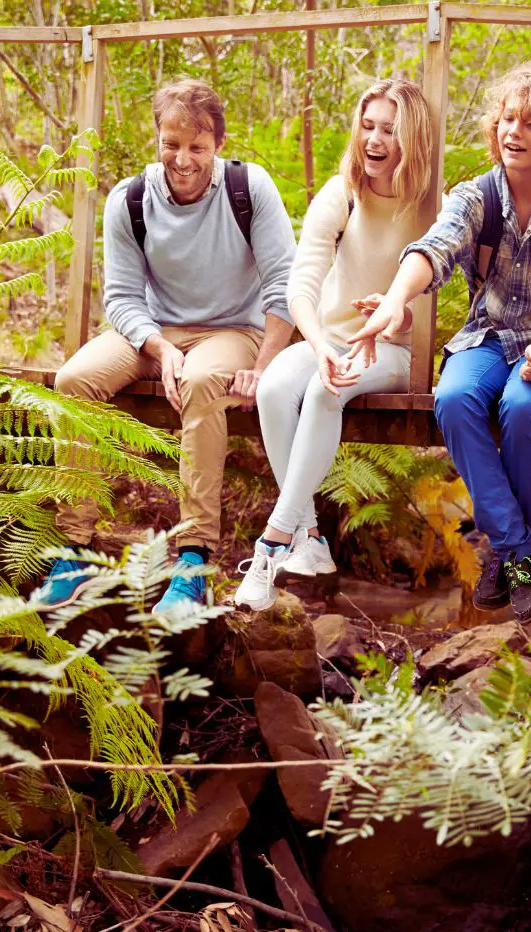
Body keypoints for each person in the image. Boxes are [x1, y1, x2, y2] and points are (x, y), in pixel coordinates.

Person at [348, 62, 531, 625]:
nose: (513, 132)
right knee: (455, 398)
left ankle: (501, 550)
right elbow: (433, 249)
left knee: (523, 403)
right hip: (486, 339)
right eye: (508, 119)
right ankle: (517, 549)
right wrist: (396, 299)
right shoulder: (477, 197)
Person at [33, 78, 296, 614]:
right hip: (157, 331)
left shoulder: (250, 189)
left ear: (217, 145)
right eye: (171, 145)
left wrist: (264, 366)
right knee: (72, 381)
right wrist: (159, 348)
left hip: (233, 332)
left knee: (201, 380)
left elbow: (284, 286)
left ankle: (193, 562)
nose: (183, 159)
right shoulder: (129, 200)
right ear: (157, 140)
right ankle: (75, 548)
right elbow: (123, 297)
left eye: (197, 147)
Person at [233, 79, 432, 611]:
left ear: (410, 137)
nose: (375, 139)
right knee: (276, 386)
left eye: (389, 129)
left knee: (324, 394)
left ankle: (272, 543)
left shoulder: (428, 204)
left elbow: (431, 293)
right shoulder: (341, 192)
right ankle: (312, 539)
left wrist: (397, 313)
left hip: (392, 350)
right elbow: (300, 286)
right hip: (333, 339)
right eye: (368, 127)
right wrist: (319, 343)